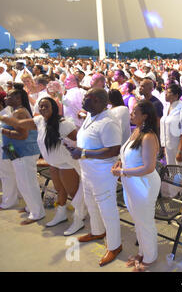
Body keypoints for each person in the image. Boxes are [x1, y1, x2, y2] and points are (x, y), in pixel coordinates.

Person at [0, 97, 86, 235]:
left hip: (66, 163)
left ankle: (79, 218)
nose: (43, 109)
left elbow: (80, 140)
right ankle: (61, 214)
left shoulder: (64, 124)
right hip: (54, 163)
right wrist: (3, 119)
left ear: (54, 108)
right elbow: (18, 123)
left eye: (46, 106)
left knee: (73, 192)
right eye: (41, 106)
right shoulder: (39, 121)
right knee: (59, 190)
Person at [66, 88, 123, 267]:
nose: (83, 101)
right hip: (88, 171)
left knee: (107, 209)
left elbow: (112, 150)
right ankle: (98, 231)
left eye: (87, 98)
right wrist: (75, 148)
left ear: (98, 101)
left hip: (102, 174)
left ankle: (115, 245)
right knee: (91, 204)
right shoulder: (92, 115)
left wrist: (82, 152)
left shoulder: (108, 122)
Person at [111, 100, 161, 272]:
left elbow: (149, 167)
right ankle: (142, 251)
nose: (131, 114)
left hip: (144, 184)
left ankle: (150, 257)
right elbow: (127, 154)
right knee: (138, 221)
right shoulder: (137, 131)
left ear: (145, 116)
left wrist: (123, 172)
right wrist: (120, 162)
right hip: (131, 183)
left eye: (134, 112)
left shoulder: (148, 137)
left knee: (145, 222)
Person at [0, 84, 45, 224]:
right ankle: (30, 207)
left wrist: (3, 131)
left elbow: (22, 135)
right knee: (23, 181)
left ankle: (37, 213)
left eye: (9, 96)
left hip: (24, 152)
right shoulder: (17, 110)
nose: (6, 98)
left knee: (27, 183)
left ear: (18, 98)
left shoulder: (19, 112)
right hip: (18, 151)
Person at [160, 83, 182, 166]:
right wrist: (164, 146)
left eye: (168, 92)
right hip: (169, 147)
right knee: (171, 173)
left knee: (181, 174)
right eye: (165, 91)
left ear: (176, 95)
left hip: (180, 148)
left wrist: (180, 151)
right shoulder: (167, 107)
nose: (165, 94)